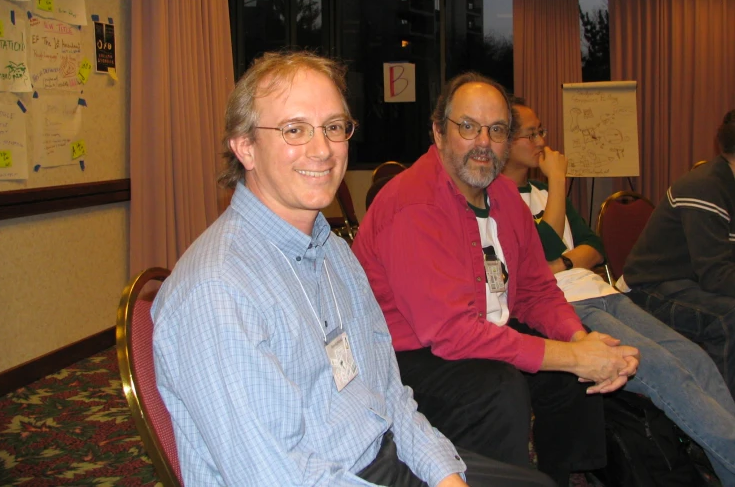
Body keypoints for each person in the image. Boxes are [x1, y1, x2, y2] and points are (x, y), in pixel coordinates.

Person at [150, 51, 554, 487]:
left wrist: (443, 476)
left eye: (333, 127)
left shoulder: (334, 252)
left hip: (377, 454)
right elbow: (277, 477)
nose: (322, 149)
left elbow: (391, 396)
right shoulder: (218, 291)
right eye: (294, 129)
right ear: (245, 147)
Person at [352, 72, 639, 486]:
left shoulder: (504, 195)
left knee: (567, 372)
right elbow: (452, 333)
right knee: (498, 389)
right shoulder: (413, 204)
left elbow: (538, 290)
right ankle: (502, 479)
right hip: (404, 356)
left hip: (478, 330)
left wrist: (577, 341)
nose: (483, 142)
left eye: (497, 130)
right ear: (438, 132)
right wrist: (572, 356)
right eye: (468, 127)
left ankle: (562, 476)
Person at [502, 99, 735, 486]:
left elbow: (595, 245)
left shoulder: (543, 194)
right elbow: (538, 251)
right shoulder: (501, 198)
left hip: (600, 290)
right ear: (506, 142)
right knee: (663, 369)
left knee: (693, 359)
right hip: (561, 305)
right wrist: (559, 186)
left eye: (542, 130)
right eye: (533, 133)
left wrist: (562, 260)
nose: (544, 141)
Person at [621, 109, 735, 399]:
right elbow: (717, 275)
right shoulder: (705, 187)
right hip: (652, 288)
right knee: (728, 319)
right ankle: (721, 425)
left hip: (693, 284)